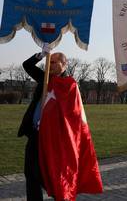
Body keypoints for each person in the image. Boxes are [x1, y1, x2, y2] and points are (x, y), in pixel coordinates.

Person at [21, 45, 103, 200]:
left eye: (54, 62)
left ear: (64, 65)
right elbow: (27, 66)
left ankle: (62, 196)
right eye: (49, 61)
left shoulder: (69, 84)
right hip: (35, 133)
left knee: (53, 173)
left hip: (54, 137)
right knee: (30, 173)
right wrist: (41, 54)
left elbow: (71, 114)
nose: (49, 65)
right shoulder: (44, 77)